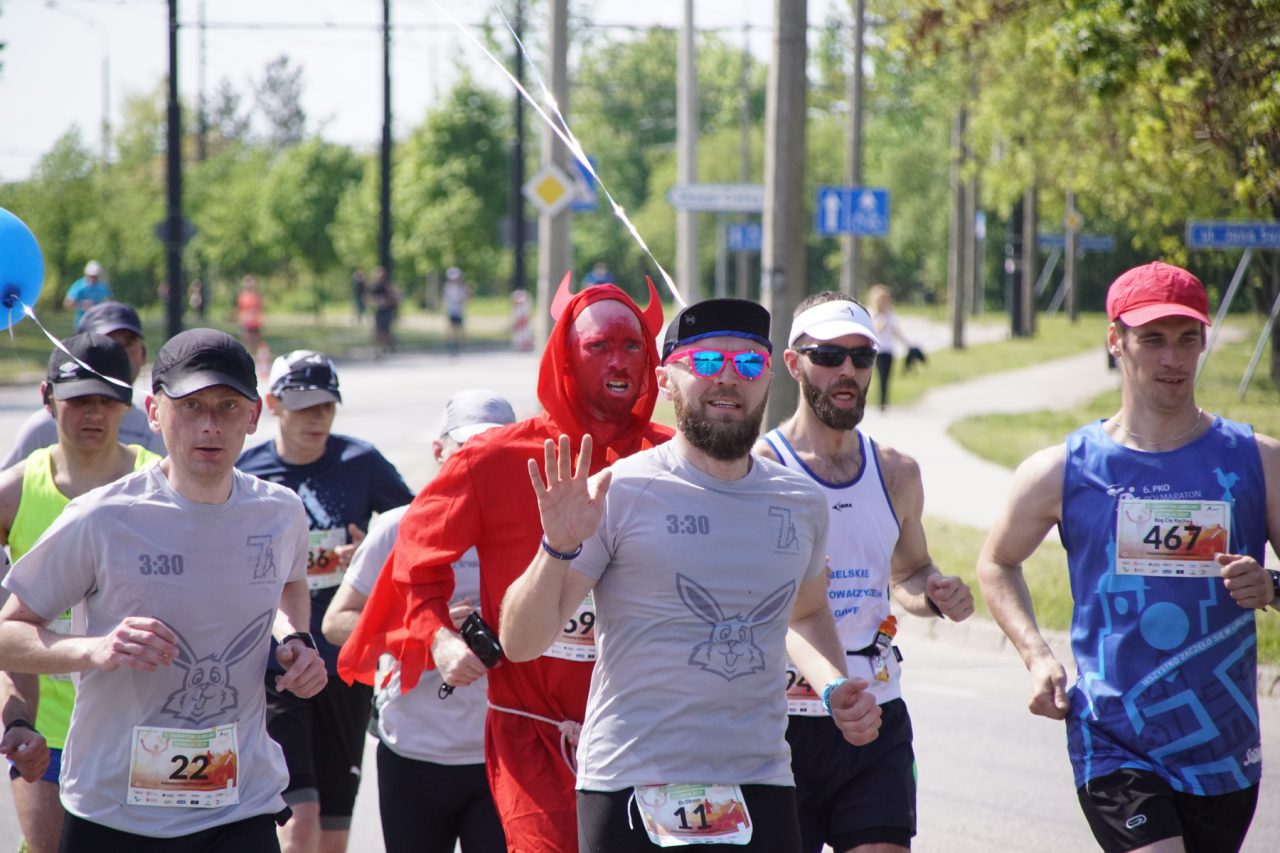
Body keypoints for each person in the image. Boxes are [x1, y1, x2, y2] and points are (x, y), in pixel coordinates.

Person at [500, 297, 885, 852]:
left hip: (761, 782)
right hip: (632, 781)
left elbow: (804, 610)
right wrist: (554, 548)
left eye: (748, 364)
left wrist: (833, 686)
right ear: (665, 379)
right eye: (706, 363)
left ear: (769, 376)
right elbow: (520, 642)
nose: (728, 379)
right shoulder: (621, 490)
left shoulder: (801, 501)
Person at [338, 277, 672, 853]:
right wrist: (438, 638)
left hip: (650, 737)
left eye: (632, 345)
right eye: (600, 346)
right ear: (566, 354)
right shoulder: (495, 460)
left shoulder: (673, 458)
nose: (618, 361)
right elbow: (417, 557)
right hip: (534, 740)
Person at [976, 261, 1280, 853]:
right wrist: (1037, 655)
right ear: (1115, 341)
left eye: (1187, 339)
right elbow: (996, 561)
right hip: (1114, 738)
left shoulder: (1257, 462)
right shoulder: (1063, 471)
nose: (1173, 358)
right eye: (1153, 340)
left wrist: (1270, 585)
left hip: (1223, 744)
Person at [0, 328, 327, 850]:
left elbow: (288, 583)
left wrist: (297, 642)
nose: (209, 425)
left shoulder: (279, 511)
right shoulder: (103, 517)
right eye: (191, 405)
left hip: (238, 803)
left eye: (227, 407)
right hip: (114, 813)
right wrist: (96, 649)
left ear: (254, 417)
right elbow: (8, 632)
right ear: (154, 412)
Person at [756, 293, 975, 853]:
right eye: (828, 355)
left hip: (877, 714)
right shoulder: (761, 470)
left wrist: (936, 591)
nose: (847, 371)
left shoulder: (897, 472)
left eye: (862, 357)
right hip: (781, 722)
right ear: (793, 363)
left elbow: (910, 571)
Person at [322, 389, 517, 853]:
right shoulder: (397, 526)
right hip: (412, 752)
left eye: (497, 450)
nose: (479, 462)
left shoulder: (527, 531)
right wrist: (428, 633)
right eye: (467, 448)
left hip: (501, 753)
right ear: (439, 451)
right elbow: (338, 623)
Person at [237, 350, 414, 853]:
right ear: (273, 404)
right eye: (305, 406)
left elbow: (421, 531)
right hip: (277, 663)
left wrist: (370, 551)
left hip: (346, 664)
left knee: (334, 831)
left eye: (327, 407)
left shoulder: (360, 461)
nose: (317, 418)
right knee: (299, 822)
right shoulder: (247, 471)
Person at [0, 333, 163, 853]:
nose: (93, 414)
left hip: (141, 728)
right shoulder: (14, 493)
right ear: (48, 399)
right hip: (46, 727)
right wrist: (15, 715)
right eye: (78, 400)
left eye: (107, 399)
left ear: (127, 405)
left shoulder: (161, 485)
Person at [3, 300, 167, 468]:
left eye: (128, 342)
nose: (95, 414)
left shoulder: (155, 432)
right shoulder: (43, 428)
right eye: (105, 343)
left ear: (143, 353)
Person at [866, 285, 916, 412]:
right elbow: (871, 332)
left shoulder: (890, 314)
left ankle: (884, 402)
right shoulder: (871, 313)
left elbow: (896, 331)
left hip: (888, 350)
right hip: (876, 350)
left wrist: (908, 344)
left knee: (886, 377)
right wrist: (879, 325)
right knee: (875, 376)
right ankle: (875, 401)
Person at [63, 261, 110, 327]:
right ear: (86, 275)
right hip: (81, 322)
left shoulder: (102, 287)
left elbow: (108, 302)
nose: (93, 279)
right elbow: (67, 303)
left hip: (97, 323)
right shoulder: (79, 286)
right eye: (91, 276)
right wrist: (82, 305)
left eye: (95, 276)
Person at [367, 267, 401, 357]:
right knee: (378, 331)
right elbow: (368, 298)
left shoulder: (389, 286)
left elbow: (397, 298)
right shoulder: (374, 287)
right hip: (379, 311)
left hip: (388, 311)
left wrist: (388, 301)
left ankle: (388, 345)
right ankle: (379, 350)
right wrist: (374, 303)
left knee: (386, 331)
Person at [237, 275, 266, 363]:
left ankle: (255, 359)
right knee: (246, 341)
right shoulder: (242, 296)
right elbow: (240, 309)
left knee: (256, 342)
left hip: (255, 322)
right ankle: (246, 360)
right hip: (246, 322)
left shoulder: (256, 296)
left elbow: (259, 308)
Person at [443, 267, 468, 355]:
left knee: (459, 329)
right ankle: (451, 344)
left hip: (459, 310)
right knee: (451, 328)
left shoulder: (462, 287)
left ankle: (458, 345)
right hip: (451, 310)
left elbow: (465, 298)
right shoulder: (448, 287)